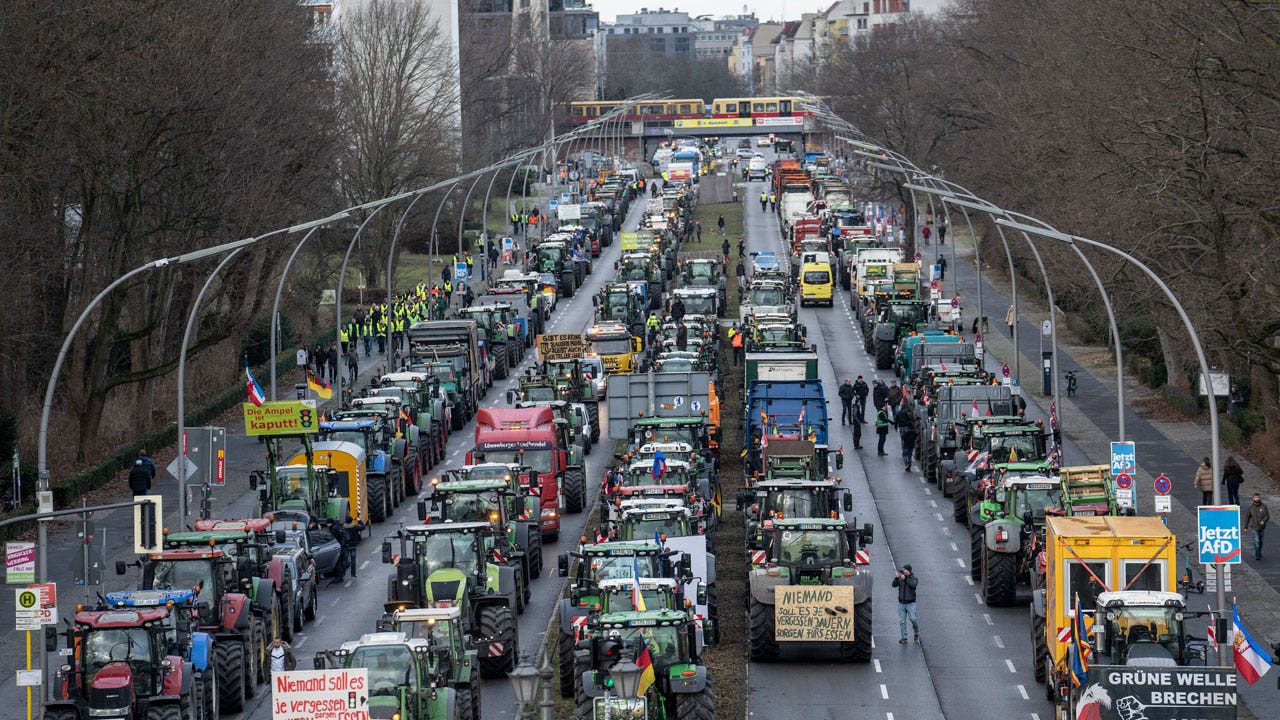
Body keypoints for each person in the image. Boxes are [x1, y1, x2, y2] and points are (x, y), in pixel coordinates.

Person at [892, 565, 918, 643]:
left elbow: (913, 585)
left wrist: (905, 579)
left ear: (908, 570)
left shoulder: (914, 578)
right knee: (902, 621)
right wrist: (896, 578)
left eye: (904, 570)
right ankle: (904, 637)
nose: (903, 571)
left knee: (913, 618)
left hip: (911, 603)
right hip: (901, 603)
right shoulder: (901, 579)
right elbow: (893, 585)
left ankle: (916, 632)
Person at [1247, 494, 1269, 560]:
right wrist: (1245, 526)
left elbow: (1267, 516)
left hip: (1262, 527)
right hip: (1254, 527)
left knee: (1261, 541)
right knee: (1257, 541)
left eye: (1257, 497)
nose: (1256, 499)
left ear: (1259, 498)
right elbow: (1247, 517)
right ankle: (1257, 554)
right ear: (1253, 498)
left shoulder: (1263, 506)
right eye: (1255, 497)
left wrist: (1263, 521)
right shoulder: (1251, 508)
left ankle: (1259, 551)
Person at [897, 400, 917, 471]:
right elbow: (911, 419)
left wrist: (896, 426)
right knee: (910, 455)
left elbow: (896, 419)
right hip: (911, 444)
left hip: (901, 427)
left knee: (904, 452)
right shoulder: (907, 413)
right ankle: (909, 464)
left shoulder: (899, 412)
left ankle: (906, 464)